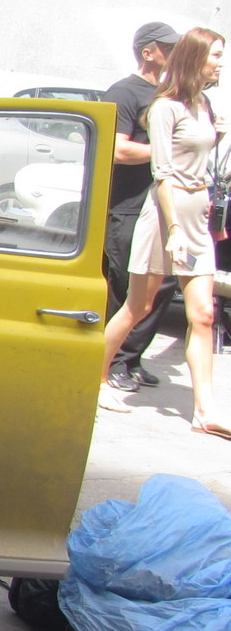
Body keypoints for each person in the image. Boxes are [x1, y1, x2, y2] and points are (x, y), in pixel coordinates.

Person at [99, 27, 229, 435]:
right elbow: (163, 173)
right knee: (137, 306)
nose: (220, 63)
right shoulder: (164, 107)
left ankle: (204, 411)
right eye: (215, 56)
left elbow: (195, 159)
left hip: (196, 214)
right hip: (165, 216)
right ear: (195, 58)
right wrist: (173, 227)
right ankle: (97, 378)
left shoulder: (202, 103)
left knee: (203, 314)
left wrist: (216, 135)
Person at [103, 22, 180, 392]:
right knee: (124, 287)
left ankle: (131, 359)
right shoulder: (125, 92)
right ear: (148, 52)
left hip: (163, 205)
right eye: (167, 47)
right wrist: (165, 151)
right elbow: (118, 150)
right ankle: (112, 362)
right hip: (127, 205)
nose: (174, 53)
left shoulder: (170, 94)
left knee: (162, 286)